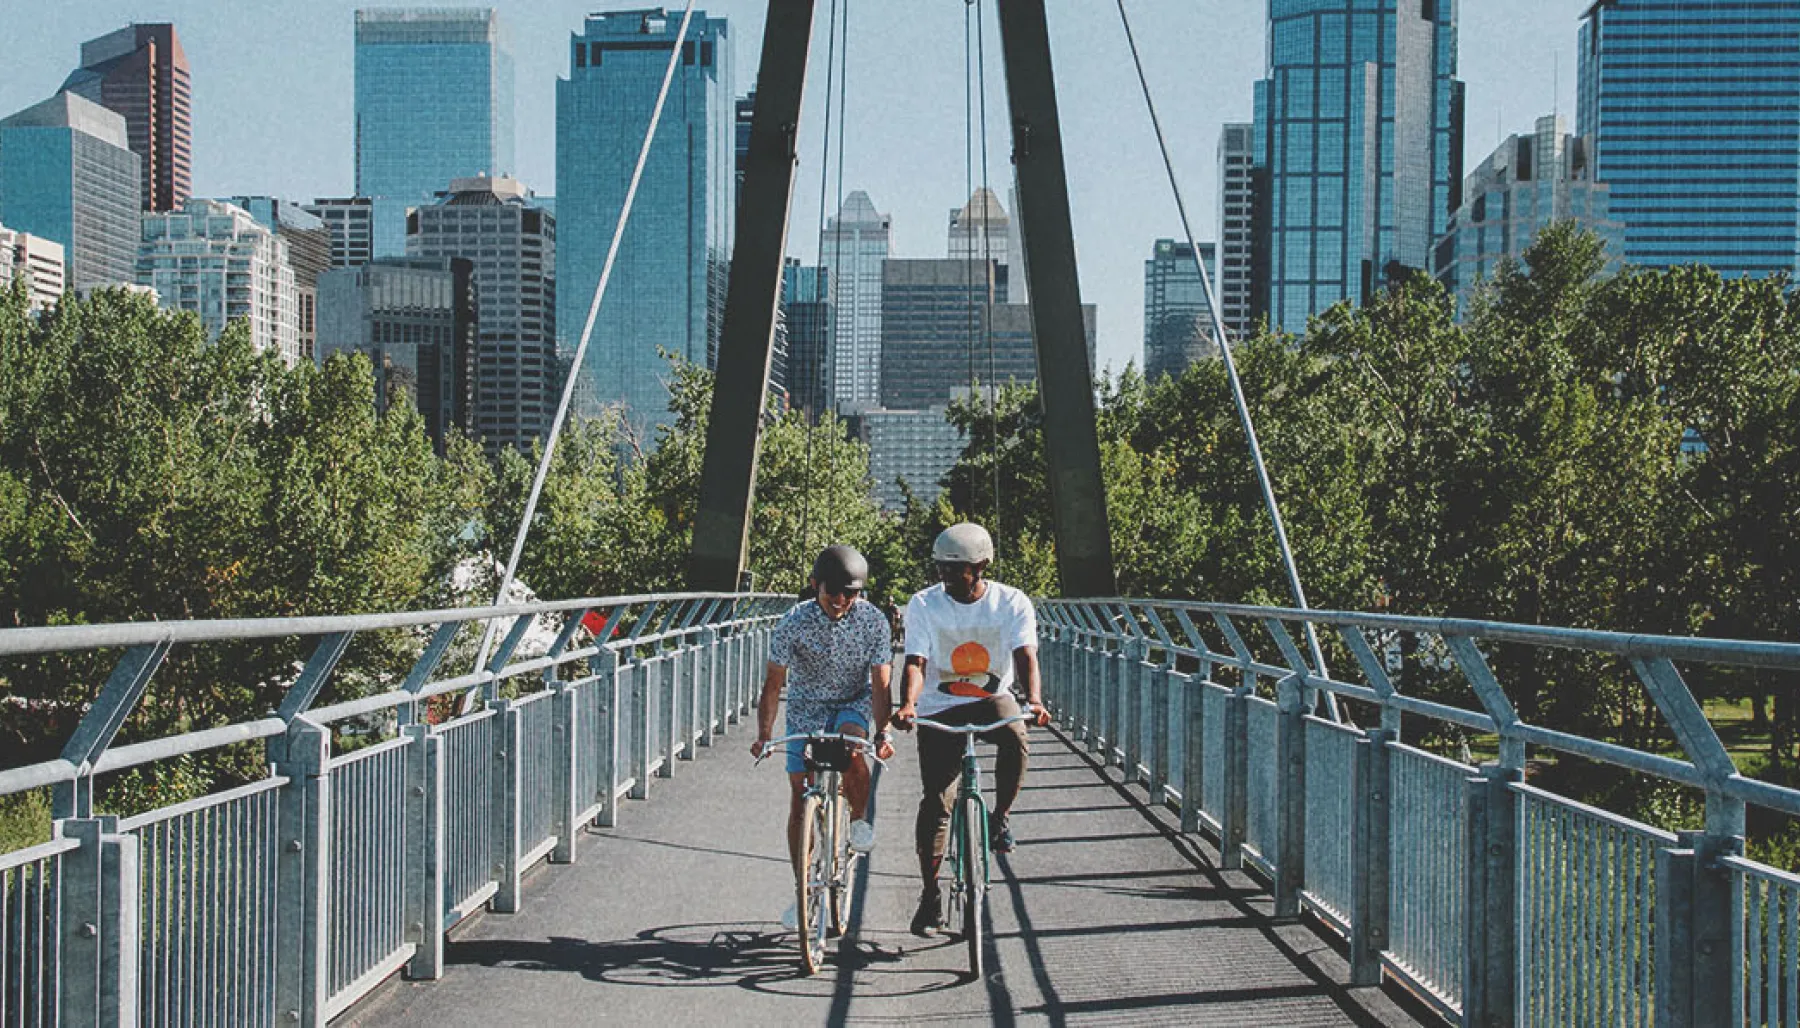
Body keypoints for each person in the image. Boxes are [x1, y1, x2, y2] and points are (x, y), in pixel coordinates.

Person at [890, 522, 1048, 937]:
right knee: (937, 803)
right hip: (940, 705)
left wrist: (1034, 700)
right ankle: (929, 896)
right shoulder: (924, 604)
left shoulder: (1011, 602)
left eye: (953, 569)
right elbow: (917, 662)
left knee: (1015, 732)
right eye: (940, 567)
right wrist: (908, 704)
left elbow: (1025, 654)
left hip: (989, 697)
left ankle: (1000, 818)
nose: (943, 576)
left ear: (980, 567)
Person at [751, 544, 896, 927]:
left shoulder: (873, 621)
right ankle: (804, 894)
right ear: (815, 584)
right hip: (805, 707)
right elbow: (773, 682)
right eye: (834, 591)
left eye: (852, 593)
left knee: (851, 748)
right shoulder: (794, 621)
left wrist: (883, 732)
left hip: (852, 701)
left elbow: (881, 684)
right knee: (800, 798)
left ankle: (861, 820)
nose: (842, 600)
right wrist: (764, 735)